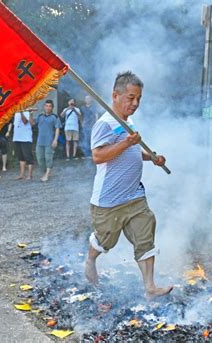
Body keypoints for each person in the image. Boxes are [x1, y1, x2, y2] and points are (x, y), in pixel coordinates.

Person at [84, 71, 173, 298]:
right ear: (115, 95)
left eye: (138, 99)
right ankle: (90, 259)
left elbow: (131, 151)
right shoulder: (104, 124)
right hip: (108, 200)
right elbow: (98, 156)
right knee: (106, 240)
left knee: (145, 232)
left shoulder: (127, 122)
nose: (135, 104)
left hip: (134, 195)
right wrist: (125, 143)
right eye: (131, 98)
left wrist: (151, 157)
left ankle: (150, 287)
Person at [33, 100, 60, 182]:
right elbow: (32, 124)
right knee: (40, 159)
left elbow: (57, 129)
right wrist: (31, 115)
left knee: (48, 158)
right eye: (46, 106)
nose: (48, 107)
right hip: (40, 141)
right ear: (44, 107)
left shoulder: (55, 117)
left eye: (50, 106)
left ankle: (47, 175)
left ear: (52, 108)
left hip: (49, 141)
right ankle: (46, 173)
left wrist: (55, 140)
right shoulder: (40, 116)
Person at [13, 110, 35, 180]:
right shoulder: (16, 112)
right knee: (21, 157)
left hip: (26, 138)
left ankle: (29, 175)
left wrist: (21, 112)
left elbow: (25, 121)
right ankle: (22, 174)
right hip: (17, 137)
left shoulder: (26, 112)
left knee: (28, 156)